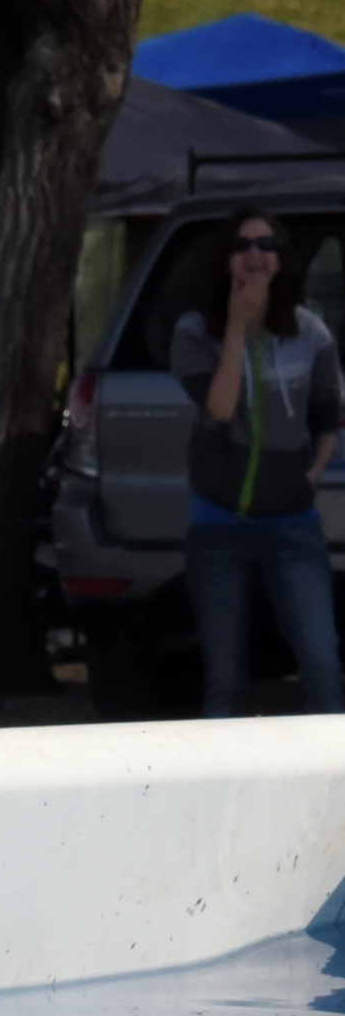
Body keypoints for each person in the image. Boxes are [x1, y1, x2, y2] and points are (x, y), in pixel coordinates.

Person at [171, 204, 343, 715]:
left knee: (321, 662)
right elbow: (220, 407)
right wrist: (237, 327)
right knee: (224, 676)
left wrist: (311, 472)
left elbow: (327, 413)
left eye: (266, 245)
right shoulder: (194, 331)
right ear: (226, 260)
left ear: (280, 260)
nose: (254, 255)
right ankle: (219, 789)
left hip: (293, 526)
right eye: (242, 245)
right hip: (217, 527)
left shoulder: (310, 332)